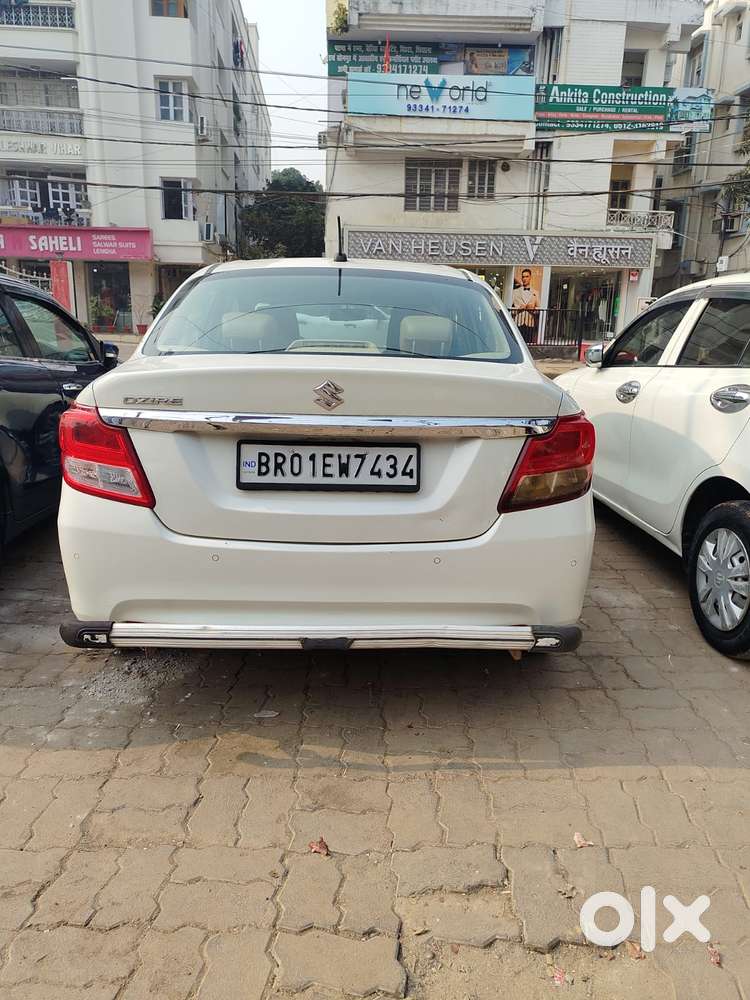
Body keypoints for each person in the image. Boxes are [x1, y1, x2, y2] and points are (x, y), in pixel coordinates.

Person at [512, 268, 540, 343]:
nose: (524, 278)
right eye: (523, 277)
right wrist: (518, 309)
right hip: (518, 322)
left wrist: (533, 310)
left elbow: (539, 310)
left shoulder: (536, 293)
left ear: (530, 277)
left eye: (526, 276)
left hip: (529, 323)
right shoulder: (515, 292)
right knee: (518, 344)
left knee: (528, 346)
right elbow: (510, 309)